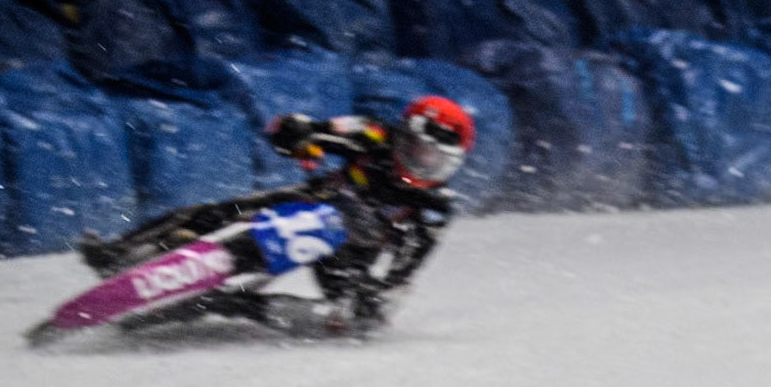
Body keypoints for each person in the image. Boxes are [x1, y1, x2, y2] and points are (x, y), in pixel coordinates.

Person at [80, 96, 476, 334]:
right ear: (401, 134)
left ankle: (225, 304)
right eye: (416, 149)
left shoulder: (434, 210)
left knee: (358, 323)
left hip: (352, 260)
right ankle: (125, 252)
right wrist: (297, 134)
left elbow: (400, 276)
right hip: (317, 203)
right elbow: (304, 130)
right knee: (215, 212)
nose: (422, 165)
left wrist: (371, 291)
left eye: (436, 161)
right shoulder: (374, 134)